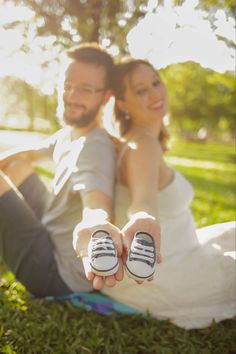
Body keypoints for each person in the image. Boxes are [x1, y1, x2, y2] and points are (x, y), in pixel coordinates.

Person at [100, 58, 236, 329]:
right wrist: (142, 218)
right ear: (123, 104)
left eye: (155, 82)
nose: (155, 93)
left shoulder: (136, 142)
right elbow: (143, 201)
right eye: (141, 90)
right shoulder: (143, 147)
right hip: (162, 277)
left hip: (177, 256)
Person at [0, 43, 124, 297]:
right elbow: (30, 153)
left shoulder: (95, 147)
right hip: (50, 231)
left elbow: (96, 201)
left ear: (106, 96)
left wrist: (97, 225)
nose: (71, 96)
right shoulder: (70, 134)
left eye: (86, 90)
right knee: (17, 166)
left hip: (57, 275)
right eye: (67, 86)